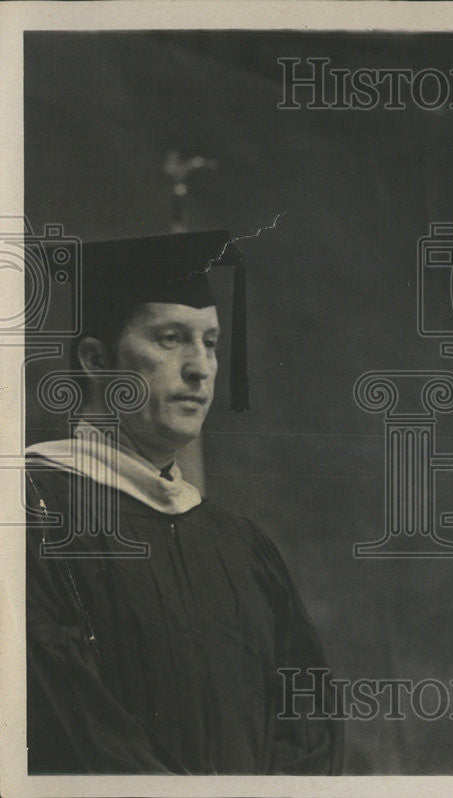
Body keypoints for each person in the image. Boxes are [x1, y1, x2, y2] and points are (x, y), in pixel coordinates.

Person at [25, 230, 343, 774]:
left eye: (212, 342)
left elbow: (308, 715)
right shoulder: (33, 517)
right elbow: (69, 721)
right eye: (171, 338)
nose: (200, 367)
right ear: (97, 360)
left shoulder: (239, 545)